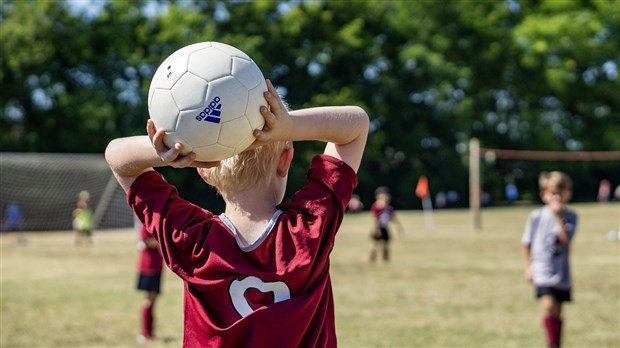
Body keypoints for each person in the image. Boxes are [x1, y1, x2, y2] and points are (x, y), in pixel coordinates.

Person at [105, 79, 369, 347]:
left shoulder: (191, 239)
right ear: (286, 158)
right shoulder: (309, 229)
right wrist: (289, 126)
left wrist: (173, 148)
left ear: (203, 172)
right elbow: (356, 124)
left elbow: (117, 157)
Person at [522, 171, 578, 348]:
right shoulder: (536, 216)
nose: (557, 197)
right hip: (542, 268)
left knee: (558, 311)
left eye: (561, 193)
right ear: (544, 195)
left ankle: (555, 341)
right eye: (553, 193)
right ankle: (552, 344)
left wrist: (557, 216)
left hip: (561, 270)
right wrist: (528, 266)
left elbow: (564, 240)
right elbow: (526, 242)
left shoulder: (571, 217)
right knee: (548, 306)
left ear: (568, 194)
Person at [135, 217, 164, 343]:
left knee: (152, 300)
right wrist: (164, 241)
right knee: (149, 300)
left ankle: (149, 333)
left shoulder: (154, 221)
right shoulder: (146, 223)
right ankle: (146, 334)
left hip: (156, 267)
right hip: (149, 267)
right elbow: (147, 240)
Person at [369, 186, 403, 262]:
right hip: (378, 228)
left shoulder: (388, 207)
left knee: (386, 244)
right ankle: (372, 258)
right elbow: (374, 218)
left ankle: (385, 259)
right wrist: (376, 229)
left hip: (385, 228)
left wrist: (398, 226)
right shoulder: (376, 206)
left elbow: (393, 217)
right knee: (375, 244)